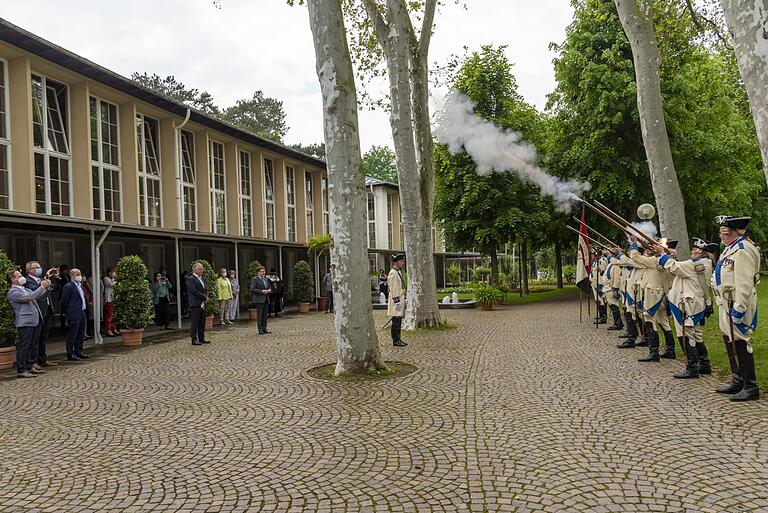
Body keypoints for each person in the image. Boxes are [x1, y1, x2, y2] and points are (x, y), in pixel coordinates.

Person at [711, 215, 761, 401]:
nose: (721, 236)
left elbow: (744, 283)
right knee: (729, 338)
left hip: (737, 303)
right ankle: (738, 379)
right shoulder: (730, 250)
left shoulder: (742, 250)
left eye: (723, 232)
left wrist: (739, 309)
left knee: (740, 340)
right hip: (726, 302)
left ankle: (750, 386)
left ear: (732, 232)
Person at [658, 237, 717, 379]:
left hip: (687, 304)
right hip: (693, 303)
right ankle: (704, 364)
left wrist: (662, 254)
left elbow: (675, 267)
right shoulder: (702, 263)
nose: (693, 251)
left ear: (700, 252)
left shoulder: (696, 264)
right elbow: (679, 268)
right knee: (696, 334)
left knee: (685, 334)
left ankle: (692, 367)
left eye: (696, 250)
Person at [629, 239, 676, 362]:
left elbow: (635, 257)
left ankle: (653, 352)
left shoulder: (655, 260)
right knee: (663, 321)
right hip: (659, 293)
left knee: (648, 317)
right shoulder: (660, 260)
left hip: (654, 293)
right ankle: (671, 350)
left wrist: (633, 243)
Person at [8, 269, 52, 378]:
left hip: (34, 321)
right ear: (12, 279)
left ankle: (29, 366)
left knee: (32, 345)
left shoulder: (25, 289)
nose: (21, 277)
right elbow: (29, 298)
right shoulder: (13, 292)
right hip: (25, 322)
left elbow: (38, 297)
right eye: (18, 276)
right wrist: (41, 287)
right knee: (24, 346)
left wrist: (46, 288)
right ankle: (21, 369)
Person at [24, 261, 58, 368]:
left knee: (43, 337)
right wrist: (44, 283)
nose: (39, 269)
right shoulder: (27, 281)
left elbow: (53, 288)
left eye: (39, 267)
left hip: (47, 310)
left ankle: (42, 359)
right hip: (37, 311)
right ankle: (33, 361)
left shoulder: (41, 279)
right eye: (36, 267)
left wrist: (52, 278)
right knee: (35, 339)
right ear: (29, 270)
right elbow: (35, 293)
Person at [61, 268, 90, 360]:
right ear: (72, 276)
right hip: (73, 313)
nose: (80, 276)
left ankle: (79, 351)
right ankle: (70, 353)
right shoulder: (68, 286)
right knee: (73, 334)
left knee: (81, 333)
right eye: (77, 274)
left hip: (82, 312)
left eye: (80, 274)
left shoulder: (80, 286)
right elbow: (64, 301)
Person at [186, 263, 210, 346]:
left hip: (202, 303)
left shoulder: (201, 278)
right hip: (195, 303)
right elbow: (194, 291)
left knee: (202, 321)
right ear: (194, 270)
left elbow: (205, 289)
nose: (202, 270)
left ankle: (201, 338)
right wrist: (204, 297)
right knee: (195, 322)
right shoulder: (191, 279)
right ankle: (194, 339)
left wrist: (206, 296)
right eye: (200, 269)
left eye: (202, 269)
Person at [388, 254, 407, 347]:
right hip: (396, 301)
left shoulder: (397, 272)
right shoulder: (393, 273)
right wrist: (397, 303)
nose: (402, 263)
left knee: (398, 321)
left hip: (399, 300)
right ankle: (395, 340)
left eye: (402, 261)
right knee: (395, 321)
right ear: (395, 262)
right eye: (401, 261)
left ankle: (398, 338)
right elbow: (394, 290)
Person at [250, 266, 272, 334]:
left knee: (265, 315)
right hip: (259, 300)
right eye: (262, 271)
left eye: (264, 271)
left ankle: (264, 328)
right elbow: (252, 289)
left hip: (266, 299)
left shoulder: (266, 279)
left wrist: (269, 290)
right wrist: (262, 291)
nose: (263, 273)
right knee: (260, 315)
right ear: (258, 272)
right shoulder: (255, 279)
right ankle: (260, 329)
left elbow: (268, 286)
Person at [102, 267, 117, 337]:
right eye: (112, 272)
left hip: (114, 298)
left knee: (114, 315)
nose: (114, 274)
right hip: (108, 298)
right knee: (109, 315)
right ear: (109, 273)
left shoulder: (113, 279)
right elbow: (112, 285)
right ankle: (108, 329)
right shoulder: (106, 279)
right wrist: (115, 279)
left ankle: (114, 328)